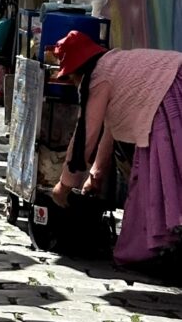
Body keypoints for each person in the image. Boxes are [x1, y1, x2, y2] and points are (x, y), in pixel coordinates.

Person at [50, 30, 182, 267]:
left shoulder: (98, 77)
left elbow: (86, 135)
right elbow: (109, 130)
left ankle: (146, 251)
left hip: (167, 99)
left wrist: (64, 185)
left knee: (157, 179)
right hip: (173, 86)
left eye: (70, 77)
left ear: (79, 71)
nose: (72, 82)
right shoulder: (115, 65)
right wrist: (96, 174)